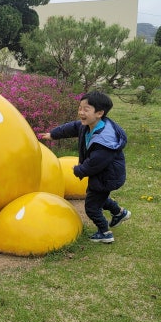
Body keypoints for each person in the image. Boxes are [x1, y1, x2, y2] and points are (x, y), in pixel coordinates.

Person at [39, 91, 130, 243]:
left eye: (86, 109)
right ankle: (119, 213)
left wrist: (78, 170)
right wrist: (53, 134)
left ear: (99, 113)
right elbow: (72, 127)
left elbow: (94, 164)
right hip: (102, 174)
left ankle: (105, 232)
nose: (81, 112)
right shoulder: (87, 125)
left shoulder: (104, 141)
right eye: (80, 108)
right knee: (98, 197)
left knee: (92, 206)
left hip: (106, 176)